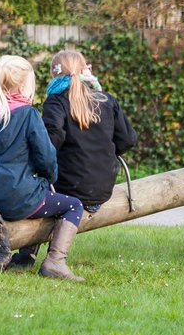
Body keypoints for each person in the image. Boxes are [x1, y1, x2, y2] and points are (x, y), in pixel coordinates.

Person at [8, 49, 138, 270]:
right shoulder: (107, 100)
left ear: (54, 75)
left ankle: (26, 256)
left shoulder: (55, 102)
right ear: (84, 69)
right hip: (101, 191)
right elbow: (128, 139)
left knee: (37, 188)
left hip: (68, 188)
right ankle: (50, 260)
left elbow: (51, 142)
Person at [0, 54, 85, 281]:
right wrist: (49, 177)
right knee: (72, 205)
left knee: (35, 193)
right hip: (17, 195)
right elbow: (47, 157)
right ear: (23, 85)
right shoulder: (28, 114)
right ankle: (55, 262)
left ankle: (25, 258)